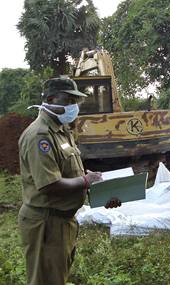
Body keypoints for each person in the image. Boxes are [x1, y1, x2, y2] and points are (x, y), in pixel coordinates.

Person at [18, 77, 121, 285]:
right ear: (50, 99)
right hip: (46, 224)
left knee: (57, 278)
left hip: (64, 222)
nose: (73, 107)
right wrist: (86, 180)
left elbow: (71, 175)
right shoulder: (40, 136)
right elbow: (49, 184)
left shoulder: (63, 131)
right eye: (67, 100)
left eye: (75, 101)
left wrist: (100, 192)